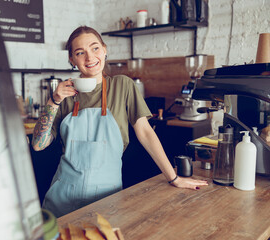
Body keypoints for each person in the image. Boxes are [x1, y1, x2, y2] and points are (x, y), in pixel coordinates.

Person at [32, 26, 208, 217]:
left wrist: (174, 178)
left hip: (107, 199)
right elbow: (38, 145)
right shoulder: (64, 94)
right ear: (72, 60)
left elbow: (146, 132)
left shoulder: (122, 85)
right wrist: (53, 101)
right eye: (80, 53)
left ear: (105, 49)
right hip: (63, 199)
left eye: (95, 48)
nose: (90, 58)